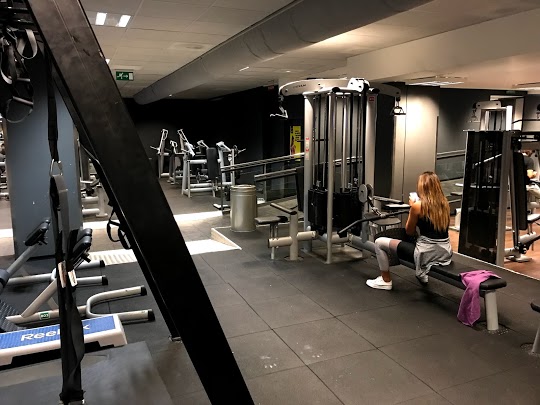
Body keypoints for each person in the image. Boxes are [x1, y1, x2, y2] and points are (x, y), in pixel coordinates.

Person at [366, 171, 452, 290]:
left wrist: (412, 207)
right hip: (445, 253)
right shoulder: (445, 204)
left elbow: (409, 231)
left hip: (426, 254)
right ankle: (423, 275)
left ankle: (385, 280)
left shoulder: (418, 206)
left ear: (422, 187)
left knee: (379, 242)